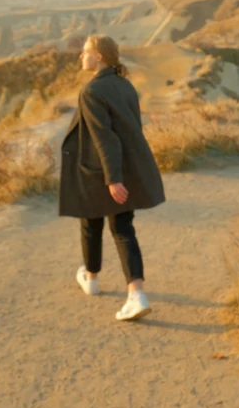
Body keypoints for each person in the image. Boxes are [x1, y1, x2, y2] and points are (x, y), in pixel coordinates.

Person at [59, 34, 165, 321]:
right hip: (121, 168)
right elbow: (130, 131)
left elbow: (105, 139)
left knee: (93, 223)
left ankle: (110, 286)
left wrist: (112, 179)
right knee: (121, 228)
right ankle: (109, 285)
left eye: (85, 52)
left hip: (102, 170)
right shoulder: (125, 85)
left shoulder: (92, 91)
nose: (81, 56)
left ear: (100, 57)